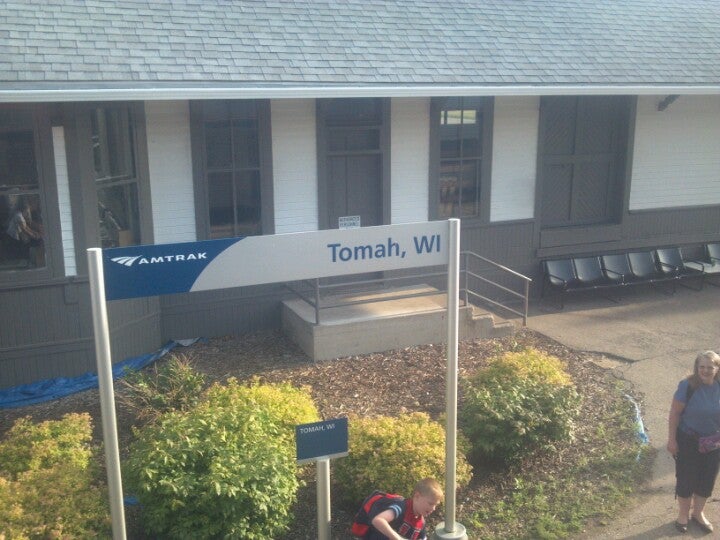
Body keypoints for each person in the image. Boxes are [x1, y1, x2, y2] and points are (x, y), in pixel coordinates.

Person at [667, 350, 720, 534]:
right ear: (697, 368)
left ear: (717, 368)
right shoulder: (687, 386)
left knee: (707, 480)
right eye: (702, 367)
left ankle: (698, 513)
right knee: (686, 479)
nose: (705, 371)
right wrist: (672, 440)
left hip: (713, 443)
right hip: (688, 440)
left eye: (710, 367)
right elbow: (674, 413)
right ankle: (683, 514)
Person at [367, 478, 443, 540]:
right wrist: (397, 538)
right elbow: (378, 520)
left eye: (436, 505)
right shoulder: (401, 507)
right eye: (430, 503)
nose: (433, 508)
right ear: (417, 496)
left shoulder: (421, 523)